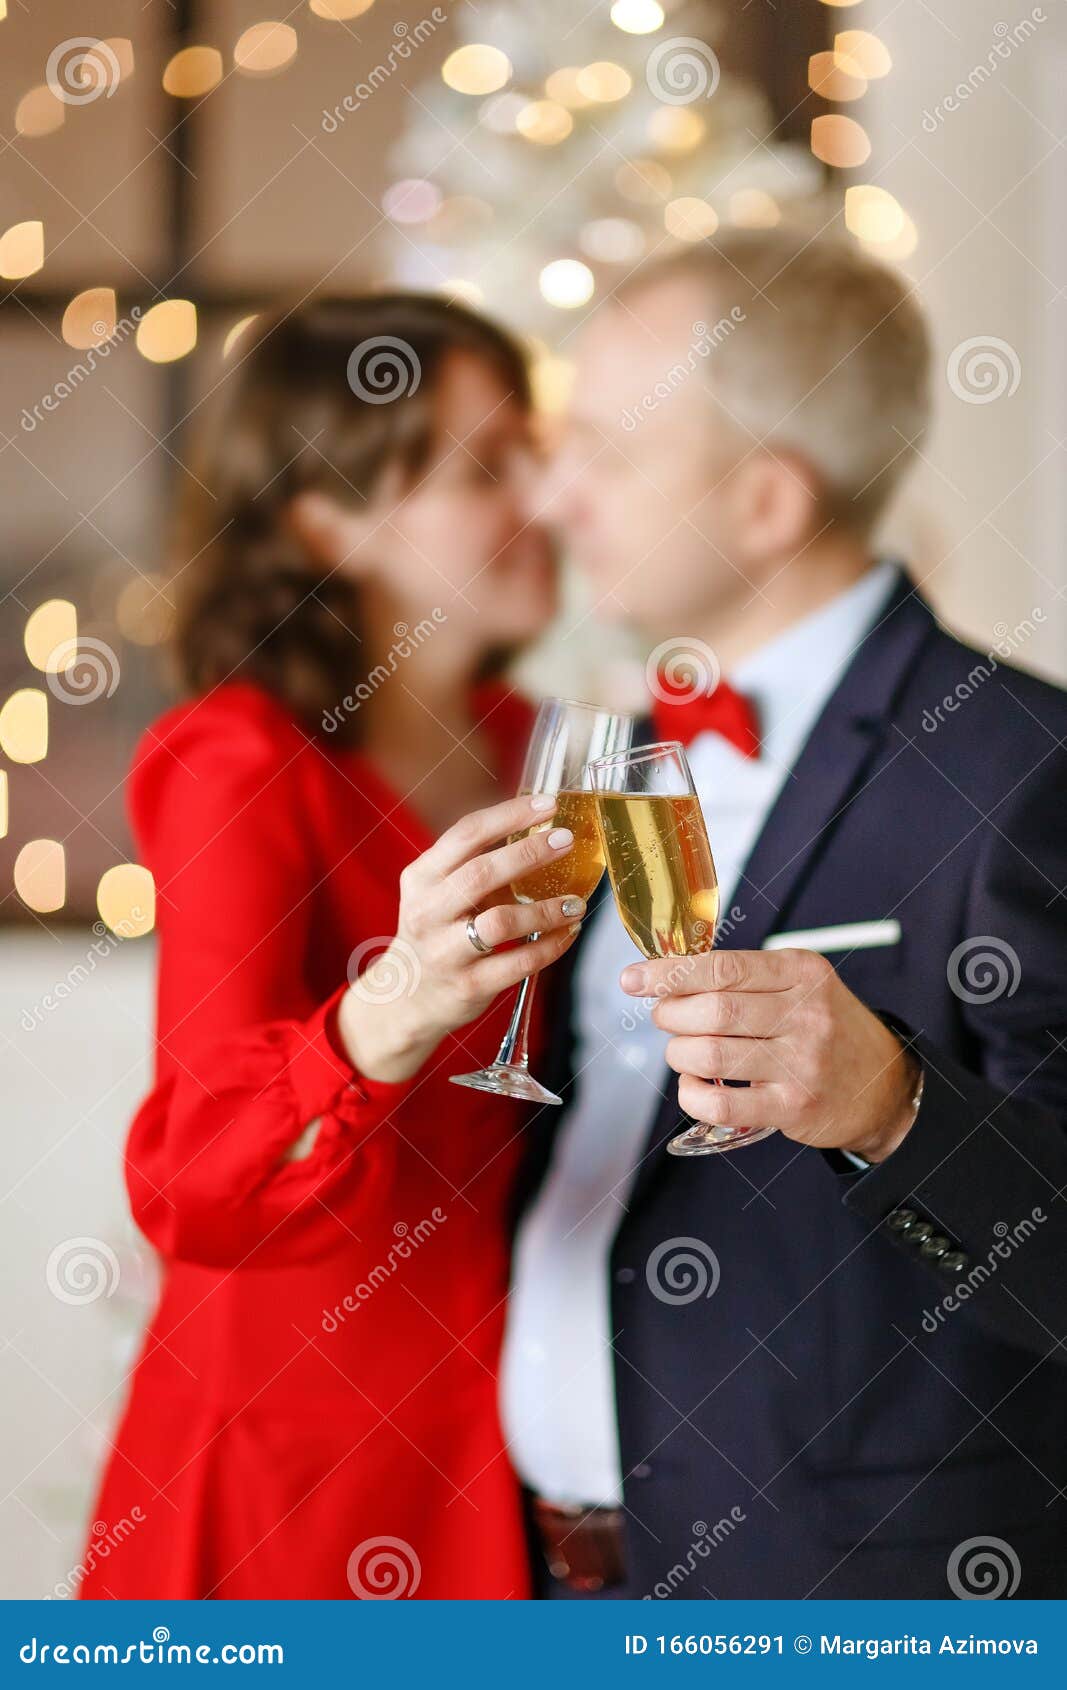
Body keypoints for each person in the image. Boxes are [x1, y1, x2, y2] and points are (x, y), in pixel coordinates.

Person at [502, 230, 1067, 1599]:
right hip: (542, 1583)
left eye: (610, 455)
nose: (553, 495)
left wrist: (892, 1105)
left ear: (766, 501)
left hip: (850, 1595)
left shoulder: (1023, 766)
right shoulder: (605, 749)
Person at [82, 295, 585, 1599]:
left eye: (537, 447)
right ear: (327, 518)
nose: (548, 490)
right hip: (299, 1475)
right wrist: (393, 1008)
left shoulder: (540, 742)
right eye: (485, 467)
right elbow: (192, 1175)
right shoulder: (241, 763)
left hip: (507, 1443)